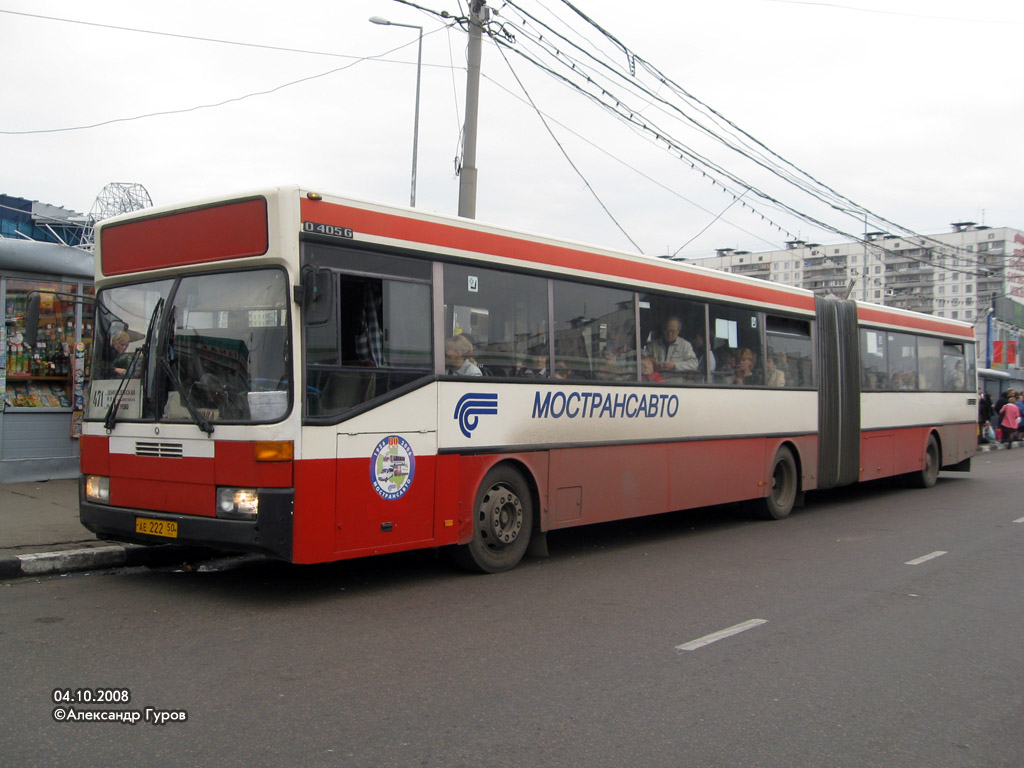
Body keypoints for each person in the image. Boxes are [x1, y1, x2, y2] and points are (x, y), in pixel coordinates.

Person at [646, 316, 697, 381]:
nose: (669, 334)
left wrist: (675, 366)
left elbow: (694, 364)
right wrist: (653, 364)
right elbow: (643, 360)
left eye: (673, 331)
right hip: (656, 384)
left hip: (676, 385)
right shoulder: (653, 345)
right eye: (667, 330)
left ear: (678, 331)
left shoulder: (685, 345)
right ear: (663, 329)